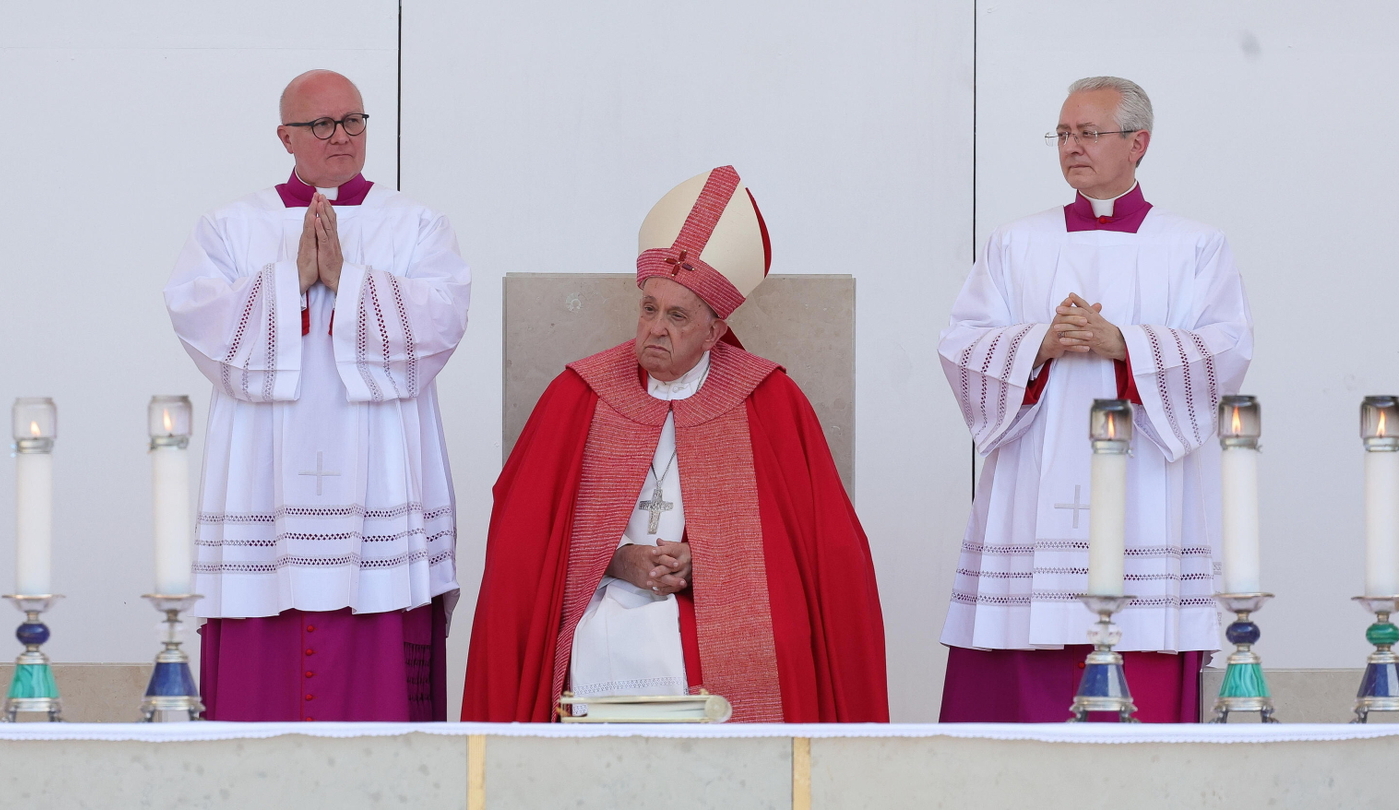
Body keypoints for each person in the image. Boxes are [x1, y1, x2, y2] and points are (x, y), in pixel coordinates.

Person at [462, 166, 888, 723]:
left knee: (776, 640)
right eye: (649, 308)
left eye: (677, 316)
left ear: (714, 332)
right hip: (601, 591)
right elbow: (523, 541)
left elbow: (823, 549)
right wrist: (616, 559)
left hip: (718, 600)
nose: (656, 328)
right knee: (597, 641)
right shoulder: (579, 394)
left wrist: (706, 560)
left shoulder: (768, 400)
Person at [936, 77, 1253, 722]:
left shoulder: (1194, 245)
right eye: (1062, 134)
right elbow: (961, 345)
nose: (1071, 146)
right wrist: (1038, 344)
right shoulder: (1015, 243)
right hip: (1034, 480)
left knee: (1139, 657)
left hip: (1146, 484)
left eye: (1087, 133)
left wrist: (1124, 344)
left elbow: (1227, 349)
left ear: (1138, 143)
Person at [164, 69, 470, 721]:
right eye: (322, 124)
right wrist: (291, 280)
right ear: (286, 136)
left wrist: (347, 281)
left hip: (380, 474)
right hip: (262, 477)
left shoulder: (416, 225)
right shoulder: (230, 227)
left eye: (353, 121)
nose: (341, 136)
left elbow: (442, 324)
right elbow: (201, 323)